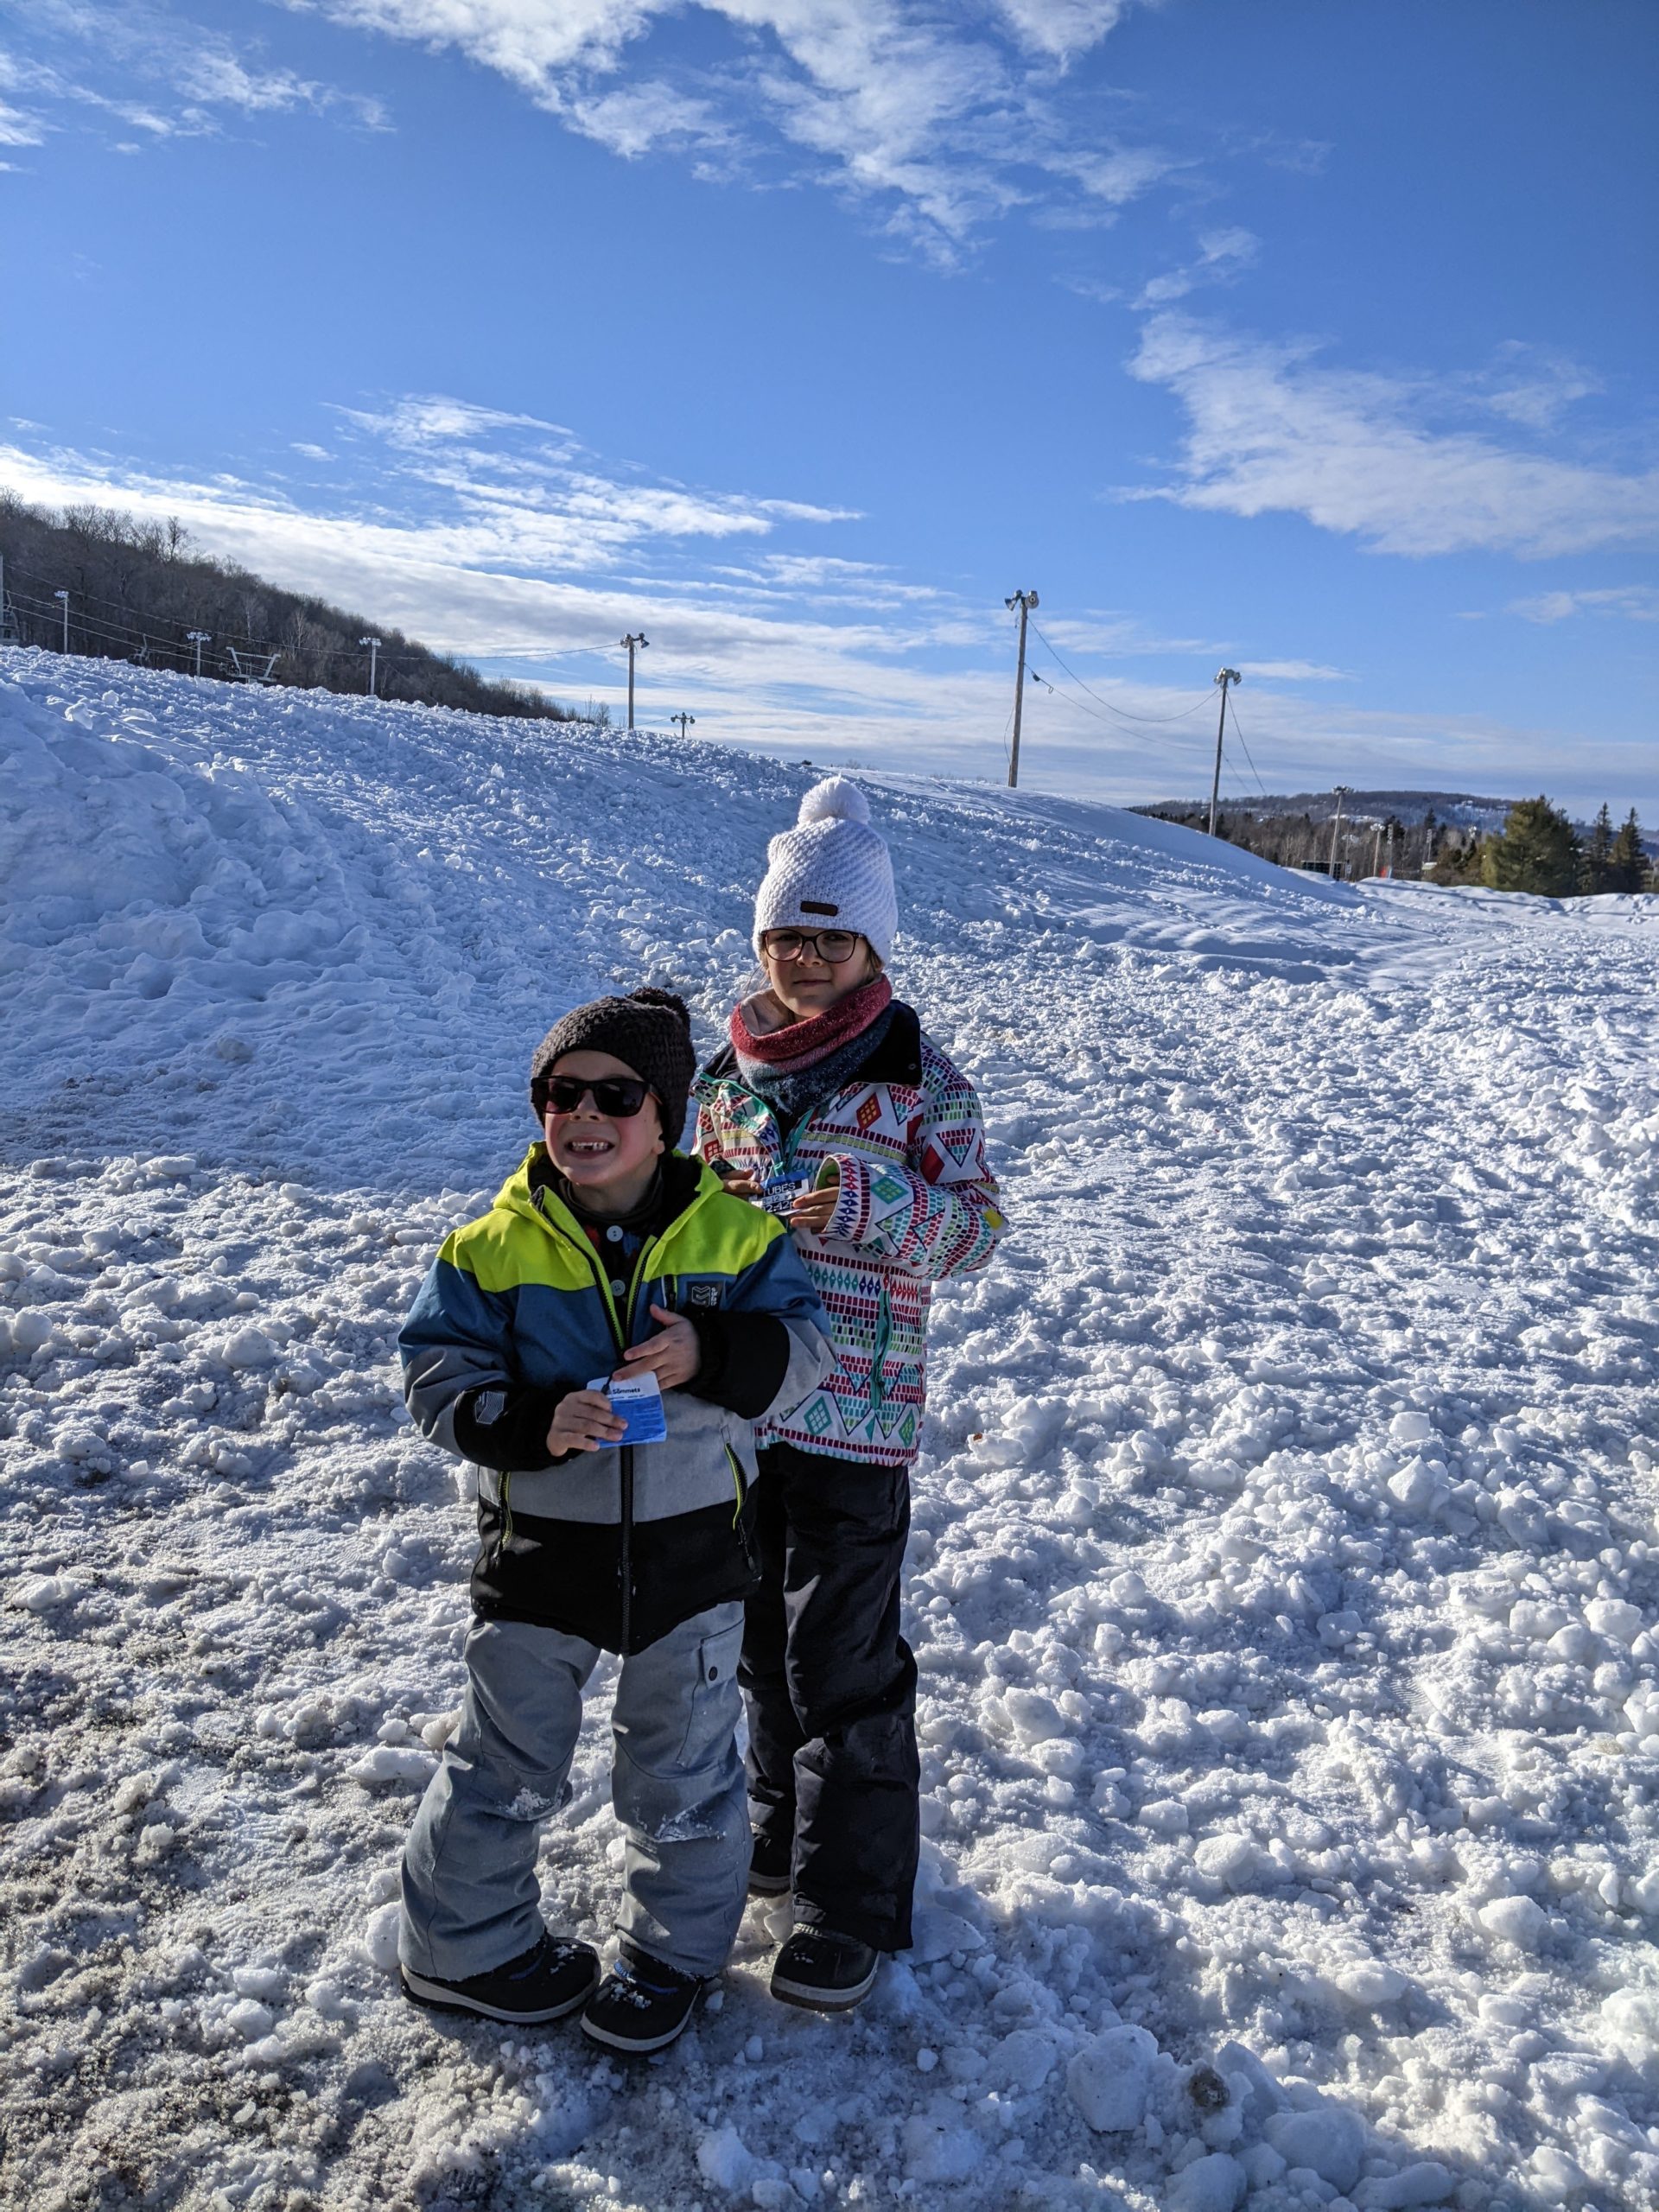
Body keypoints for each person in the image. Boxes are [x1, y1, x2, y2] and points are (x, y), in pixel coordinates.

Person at [397, 988, 830, 2054]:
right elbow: (438, 1376)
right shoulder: (489, 1248)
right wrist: (530, 1421)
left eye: (615, 1095)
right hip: (541, 1556)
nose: (583, 1114)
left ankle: (672, 1959)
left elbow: (807, 1351)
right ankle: (461, 1947)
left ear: (665, 1115)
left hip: (692, 1554)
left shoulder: (738, 1237)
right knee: (503, 1761)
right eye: (560, 1093)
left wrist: (712, 1353)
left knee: (681, 1771)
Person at [694, 779, 1005, 2012]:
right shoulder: (723, 1080)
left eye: (833, 940)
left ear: (874, 947)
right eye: (787, 937)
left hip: (856, 1418)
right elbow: (682, 1220)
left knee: (844, 1658)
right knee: (751, 1644)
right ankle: (776, 1836)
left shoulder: (922, 1080)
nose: (809, 960)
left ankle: (851, 1898)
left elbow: (976, 1232)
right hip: (736, 1408)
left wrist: (876, 1207)